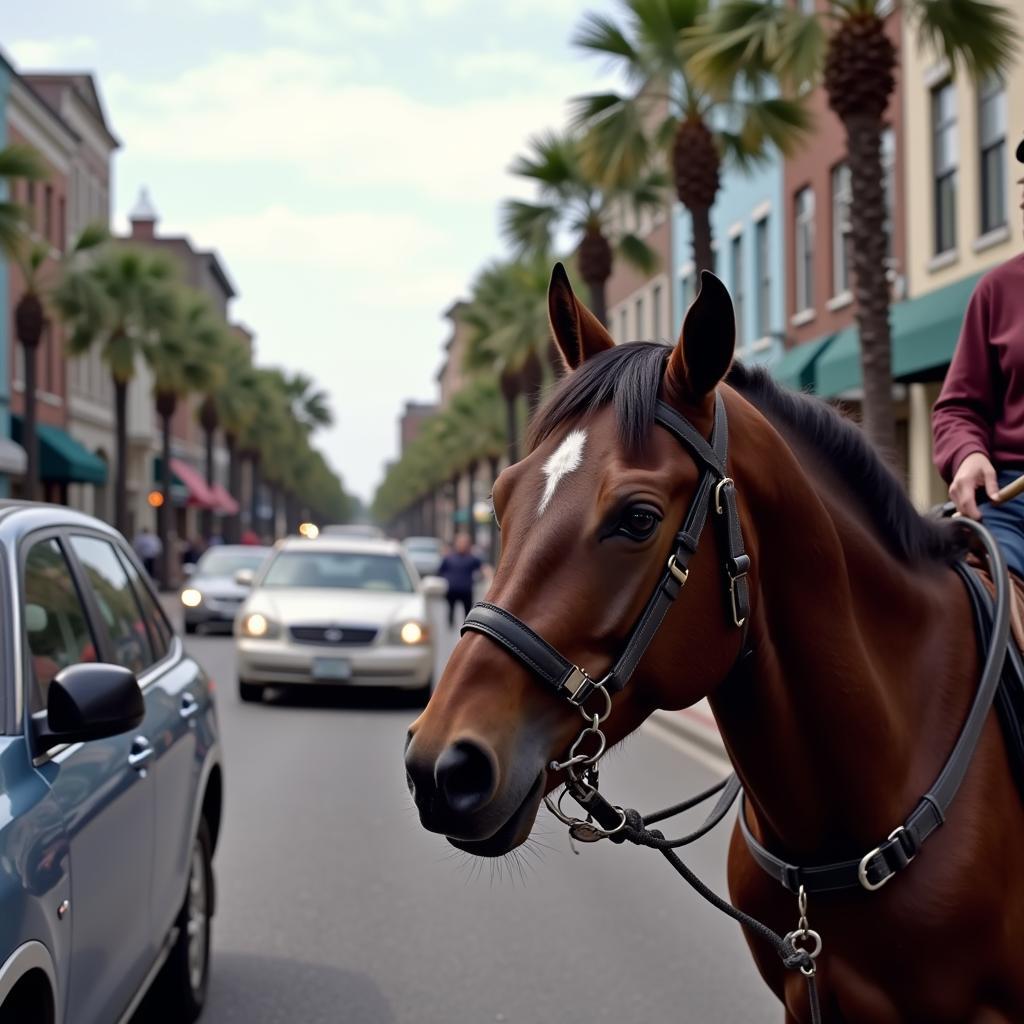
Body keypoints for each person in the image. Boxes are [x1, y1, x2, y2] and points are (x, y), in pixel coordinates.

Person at [932, 134, 1024, 577]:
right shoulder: (996, 291)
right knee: (974, 592)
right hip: (1010, 502)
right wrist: (968, 454)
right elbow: (957, 409)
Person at [437, 533, 484, 626]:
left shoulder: (472, 558)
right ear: (456, 543)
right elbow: (440, 571)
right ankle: (450, 624)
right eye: (460, 542)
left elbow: (483, 569)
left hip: (466, 591)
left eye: (464, 542)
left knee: (467, 612)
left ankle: (467, 626)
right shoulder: (449, 557)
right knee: (451, 609)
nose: (462, 545)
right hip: (452, 590)